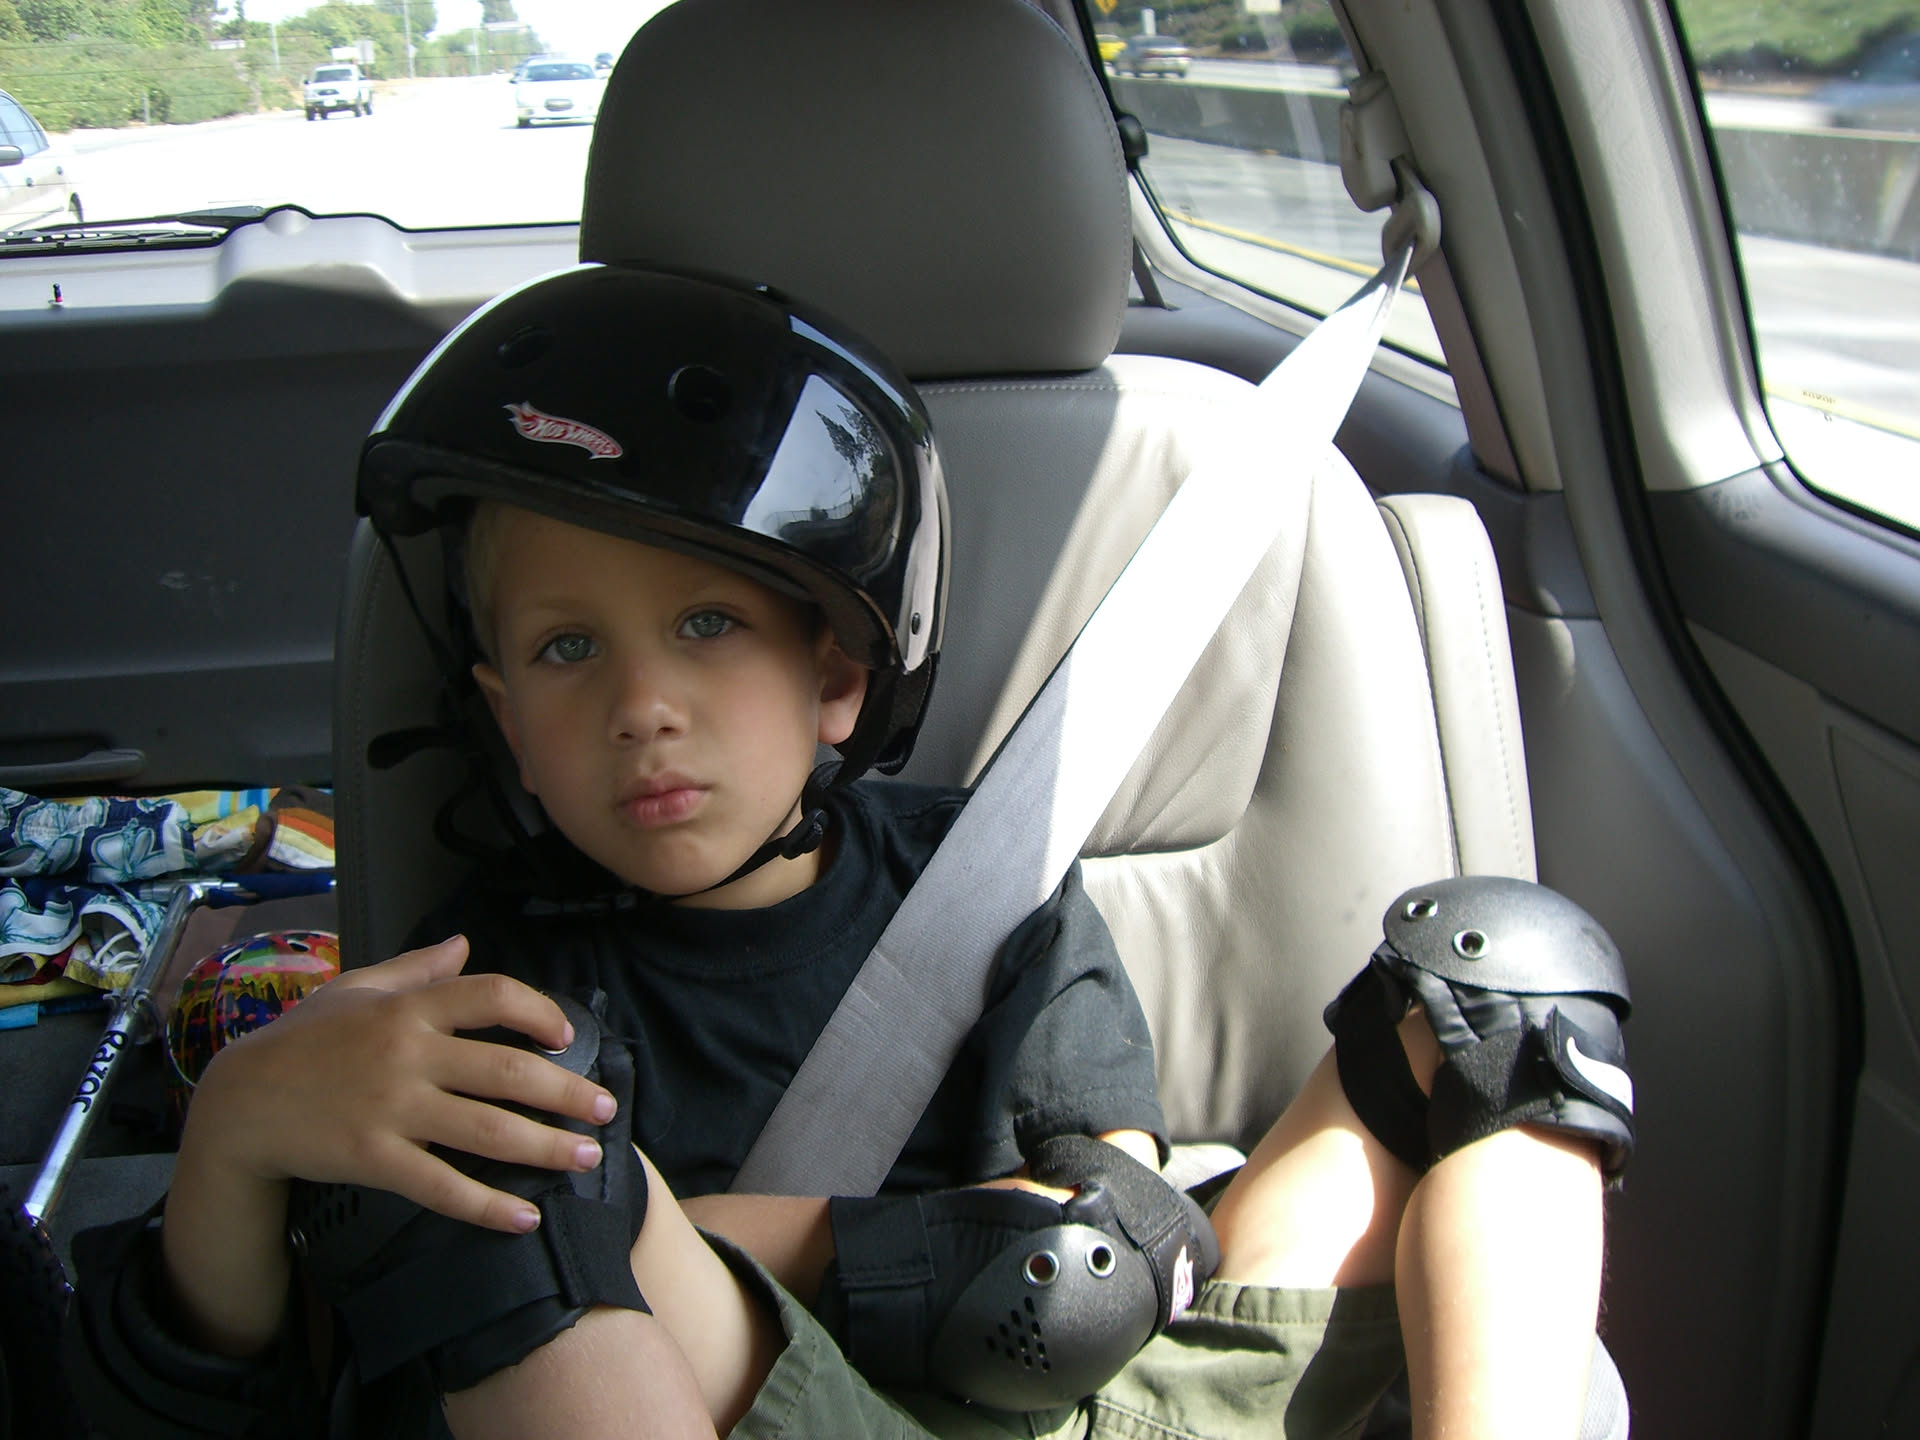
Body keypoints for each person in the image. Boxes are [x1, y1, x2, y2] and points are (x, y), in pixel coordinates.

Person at [65, 263, 1634, 1440]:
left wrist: (736, 1232)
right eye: (565, 650)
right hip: (778, 1409)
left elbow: (1101, 1244)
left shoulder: (987, 885)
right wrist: (238, 1133)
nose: (641, 707)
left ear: (835, 676)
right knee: (500, 1162)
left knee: (1499, 981)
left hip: (1095, 1403)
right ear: (503, 719)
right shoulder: (486, 978)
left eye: (705, 626)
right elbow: (228, 1383)